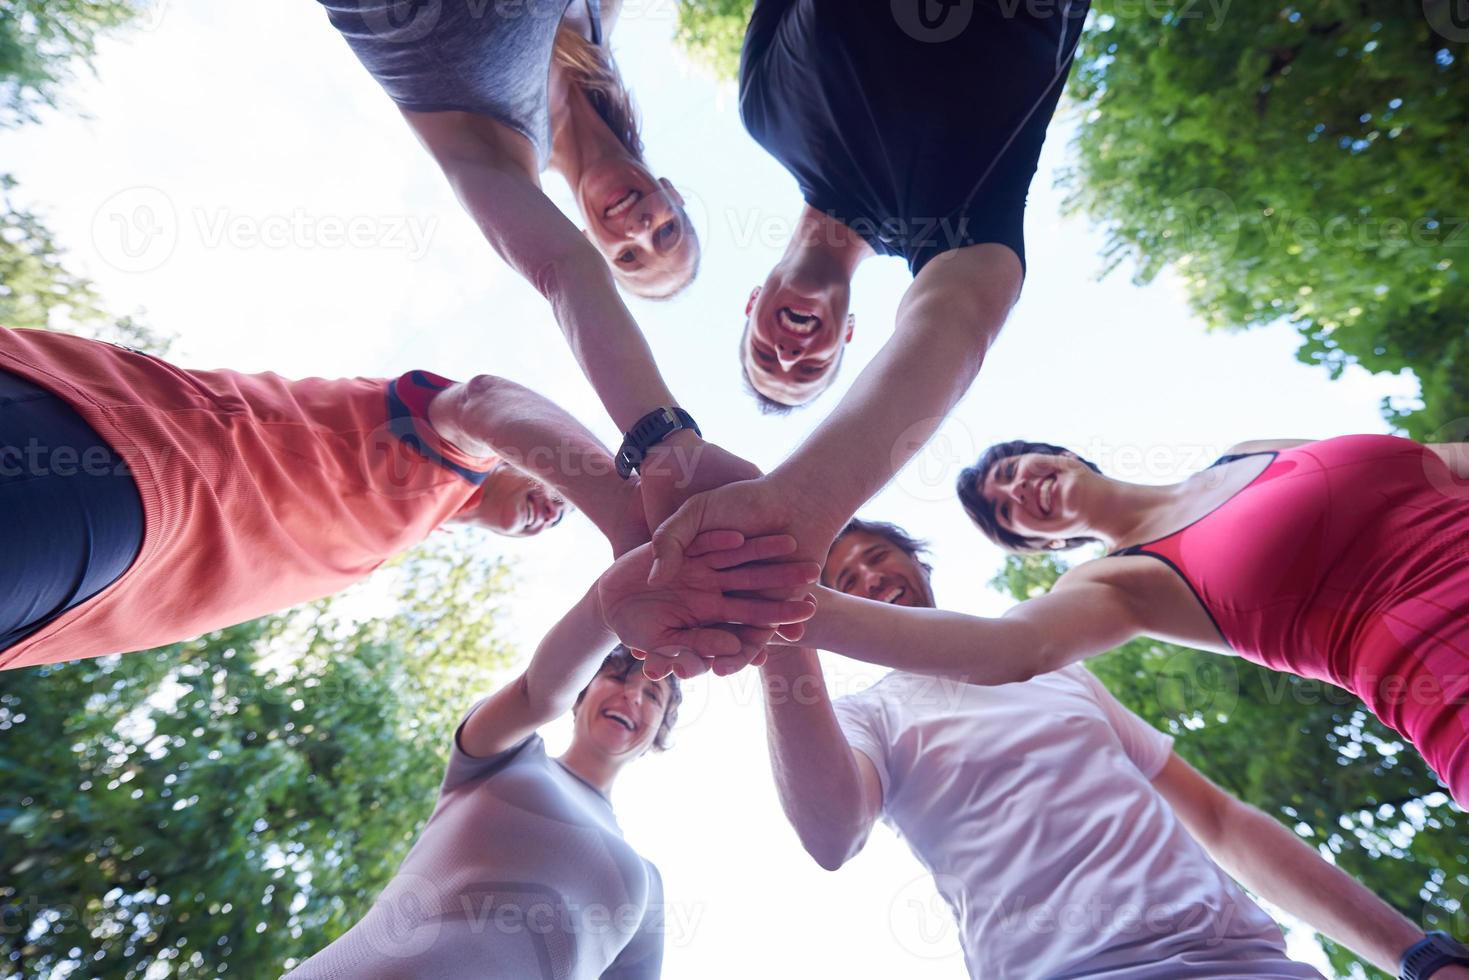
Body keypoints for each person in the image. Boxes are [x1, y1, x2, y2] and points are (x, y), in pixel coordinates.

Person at [759, 518, 1469, 979]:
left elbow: (1219, 820)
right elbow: (830, 833)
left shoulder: (1052, 667)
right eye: (843, 582)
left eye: (878, 557)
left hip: (1248, 964)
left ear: (916, 561)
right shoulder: (867, 714)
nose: (870, 578)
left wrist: (1417, 954)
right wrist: (777, 630)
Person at [645, 0, 1087, 646]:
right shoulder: (954, 227)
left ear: (750, 304)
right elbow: (955, 320)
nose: (791, 354)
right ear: (849, 334)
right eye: (811, 369)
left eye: (766, 357)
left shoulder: (761, 112)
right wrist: (798, 504)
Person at [286, 536, 819, 979]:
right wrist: (608, 606)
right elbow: (535, 694)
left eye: (654, 695)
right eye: (617, 677)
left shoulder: (646, 885)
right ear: (583, 693)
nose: (633, 697)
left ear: (660, 730)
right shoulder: (508, 755)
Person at [314, 0, 755, 532]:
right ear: (672, 194)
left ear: (592, 242)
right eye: (667, 230)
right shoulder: (598, 23)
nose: (638, 228)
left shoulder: (503, 159)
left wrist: (666, 443)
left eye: (628, 256)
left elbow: (564, 270)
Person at [0, 325, 641, 671]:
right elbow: (484, 401)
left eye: (563, 521)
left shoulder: (414, 525)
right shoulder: (456, 451)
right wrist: (629, 518)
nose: (556, 511)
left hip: (85, 604)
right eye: (563, 493)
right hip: (126, 468)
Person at [936, 433, 1469, 804]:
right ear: (1045, 543)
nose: (1016, 490)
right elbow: (1013, 647)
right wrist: (848, 616)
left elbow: (1438, 462)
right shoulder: (1110, 582)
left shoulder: (1247, 451)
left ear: (1062, 454)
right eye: (1006, 511)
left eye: (1010, 472)